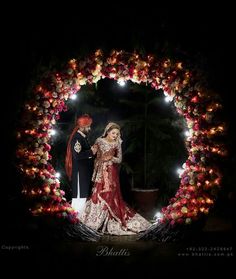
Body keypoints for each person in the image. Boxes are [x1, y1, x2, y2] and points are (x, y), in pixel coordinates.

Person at [80, 122, 151, 235]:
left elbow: (119, 160)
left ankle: (109, 220)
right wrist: (85, 155)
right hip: (100, 171)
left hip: (111, 173)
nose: (115, 135)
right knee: (97, 193)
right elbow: (94, 154)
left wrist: (111, 157)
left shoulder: (117, 143)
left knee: (109, 194)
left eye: (117, 134)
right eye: (113, 133)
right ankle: (95, 221)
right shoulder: (99, 141)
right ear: (107, 132)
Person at [65, 114, 97, 216]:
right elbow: (77, 156)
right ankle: (76, 219)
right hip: (80, 173)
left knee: (83, 196)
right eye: (88, 126)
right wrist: (91, 152)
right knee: (79, 196)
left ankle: (80, 219)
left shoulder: (82, 137)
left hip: (84, 173)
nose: (89, 128)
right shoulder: (77, 138)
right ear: (82, 127)